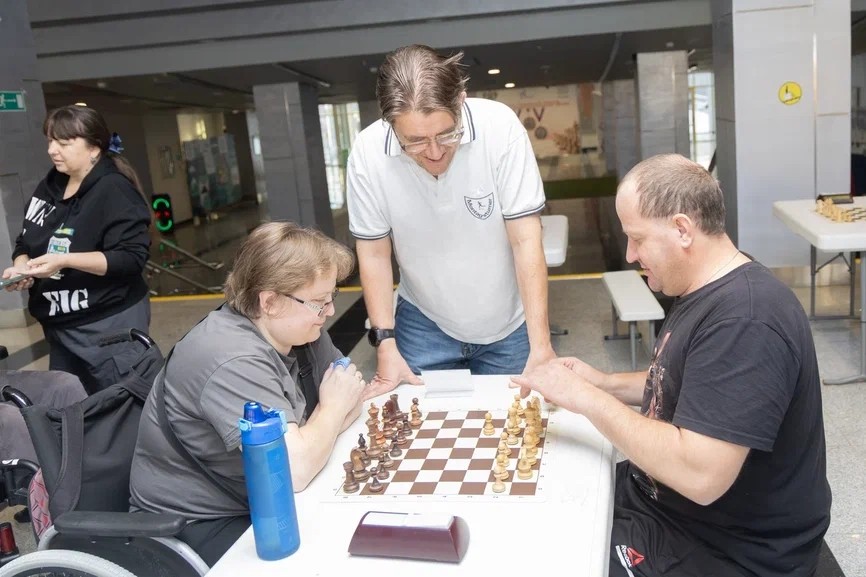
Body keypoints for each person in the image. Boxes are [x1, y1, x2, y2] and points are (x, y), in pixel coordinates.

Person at [512, 154, 831, 577]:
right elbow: (693, 381)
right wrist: (604, 382)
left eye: (637, 238)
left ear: (682, 229)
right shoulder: (709, 286)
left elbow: (700, 476)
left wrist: (586, 399)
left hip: (728, 547)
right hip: (667, 506)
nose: (630, 254)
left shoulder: (747, 319)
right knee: (540, 505)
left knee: (545, 560)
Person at [129, 222, 371, 567]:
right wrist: (330, 410)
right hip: (195, 523)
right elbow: (294, 470)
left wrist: (317, 430)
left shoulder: (301, 331)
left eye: (331, 297)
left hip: (260, 499)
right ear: (270, 302)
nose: (330, 311)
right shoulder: (231, 357)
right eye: (319, 302)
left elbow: (354, 393)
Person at [347, 44, 555, 390]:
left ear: (460, 101)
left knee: (515, 420)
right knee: (417, 421)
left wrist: (542, 345)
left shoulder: (500, 128)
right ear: (390, 124)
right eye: (414, 141)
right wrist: (385, 343)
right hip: (424, 321)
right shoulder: (368, 153)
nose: (434, 152)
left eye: (446, 134)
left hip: (509, 323)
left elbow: (526, 240)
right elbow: (374, 254)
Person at [2, 105, 152, 395]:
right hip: (59, 328)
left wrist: (64, 260)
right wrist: (23, 265)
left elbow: (130, 258)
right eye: (50, 141)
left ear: (94, 147)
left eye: (64, 143)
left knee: (121, 405)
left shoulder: (113, 190)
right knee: (72, 405)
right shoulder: (50, 185)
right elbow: (25, 240)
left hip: (106, 325)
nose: (52, 150)